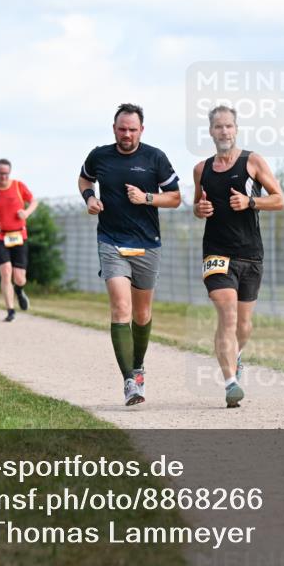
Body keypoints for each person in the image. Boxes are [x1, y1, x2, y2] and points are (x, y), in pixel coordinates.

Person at [77, 103, 182, 406]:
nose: (126, 134)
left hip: (147, 242)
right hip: (111, 241)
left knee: (142, 313)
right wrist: (90, 198)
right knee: (121, 308)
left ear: (141, 130)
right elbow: (84, 179)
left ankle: (138, 367)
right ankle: (129, 382)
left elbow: (175, 198)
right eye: (122, 129)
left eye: (132, 130)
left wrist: (146, 198)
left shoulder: (155, 157)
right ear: (114, 128)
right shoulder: (99, 156)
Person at [193, 105, 284, 408]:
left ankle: (236, 356)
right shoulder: (201, 169)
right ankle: (230, 382)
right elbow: (198, 205)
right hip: (216, 252)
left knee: (243, 325)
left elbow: (279, 199)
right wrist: (199, 210)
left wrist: (250, 202)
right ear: (210, 131)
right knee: (227, 312)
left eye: (229, 126)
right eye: (219, 127)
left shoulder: (252, 161)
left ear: (236, 129)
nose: (224, 132)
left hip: (250, 253)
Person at [0, 159, 37, 322]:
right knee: (6, 272)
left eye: (6, 173)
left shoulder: (19, 186)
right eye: (0, 173)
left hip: (19, 235)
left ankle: (19, 291)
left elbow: (34, 201)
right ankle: (10, 310)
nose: (3, 176)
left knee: (19, 278)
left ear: (10, 172)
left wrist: (26, 213)